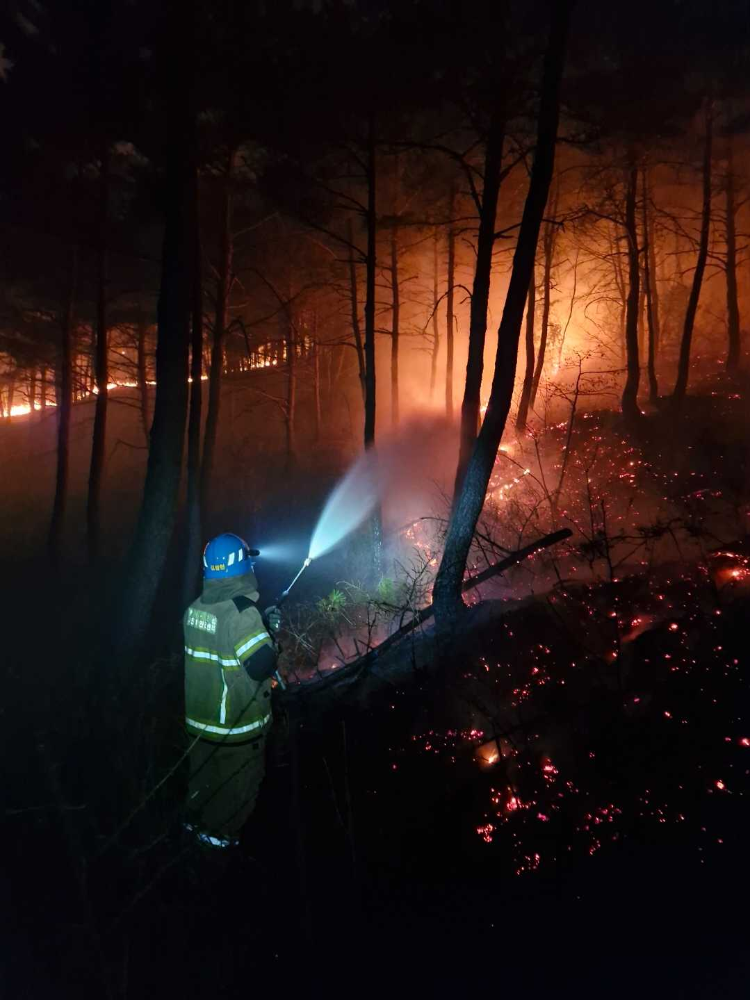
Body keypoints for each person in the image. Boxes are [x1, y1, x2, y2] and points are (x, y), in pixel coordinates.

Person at [183, 533, 282, 849]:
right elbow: (260, 665)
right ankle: (216, 861)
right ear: (241, 568)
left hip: (200, 726)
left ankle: (188, 844)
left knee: (202, 789)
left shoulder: (195, 609)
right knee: (234, 800)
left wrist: (260, 626)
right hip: (235, 731)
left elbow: (223, 642)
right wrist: (271, 635)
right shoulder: (242, 614)